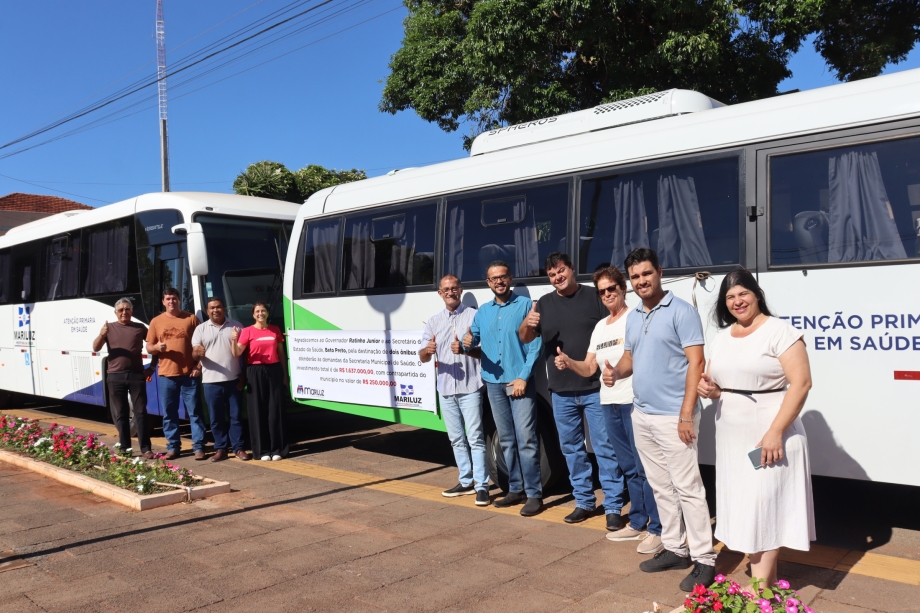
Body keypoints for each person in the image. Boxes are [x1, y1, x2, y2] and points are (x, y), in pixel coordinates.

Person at [604, 248, 716, 592]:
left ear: (659, 272)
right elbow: (629, 357)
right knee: (661, 486)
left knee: (688, 488)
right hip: (643, 414)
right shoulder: (635, 316)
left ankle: (705, 560)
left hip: (674, 417)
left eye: (646, 274)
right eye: (635, 277)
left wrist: (686, 414)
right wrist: (615, 373)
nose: (641, 281)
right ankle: (675, 548)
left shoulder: (681, 312)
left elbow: (696, 364)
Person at [698, 269, 815, 588]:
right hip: (733, 441)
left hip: (769, 437)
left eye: (743, 293)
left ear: (757, 294)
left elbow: (801, 383)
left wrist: (776, 431)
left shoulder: (780, 331)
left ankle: (758, 594)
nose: (737, 301)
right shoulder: (722, 338)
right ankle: (769, 592)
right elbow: (722, 385)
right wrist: (711, 391)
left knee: (764, 511)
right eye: (730, 297)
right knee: (750, 512)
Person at [555, 266, 663, 554]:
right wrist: (568, 361)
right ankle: (638, 521)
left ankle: (658, 528)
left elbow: (647, 357)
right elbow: (590, 366)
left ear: (622, 288)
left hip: (634, 401)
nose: (607, 294)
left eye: (611, 288)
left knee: (645, 466)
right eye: (602, 291)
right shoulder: (601, 326)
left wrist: (620, 374)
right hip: (608, 402)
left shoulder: (636, 317)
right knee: (628, 466)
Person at [519, 252, 626, 529]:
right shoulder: (543, 303)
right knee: (571, 449)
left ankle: (613, 505)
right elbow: (526, 337)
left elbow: (615, 326)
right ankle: (584, 502)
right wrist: (527, 325)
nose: (557, 277)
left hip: (595, 386)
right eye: (552, 274)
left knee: (604, 447)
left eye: (561, 270)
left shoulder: (594, 297)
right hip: (560, 389)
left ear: (572, 269)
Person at [463, 260, 544, 516]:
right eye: (493, 278)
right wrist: (466, 341)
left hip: (518, 382)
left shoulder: (524, 306)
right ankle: (515, 488)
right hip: (493, 383)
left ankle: (534, 494)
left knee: (527, 439)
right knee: (506, 439)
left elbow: (534, 345)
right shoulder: (482, 312)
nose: (499, 281)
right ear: (488, 283)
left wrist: (523, 377)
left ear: (510, 278)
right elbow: (471, 339)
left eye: (503, 277)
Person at [420, 275, 489, 505]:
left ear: (460, 290)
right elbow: (422, 356)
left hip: (471, 386)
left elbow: (486, 352)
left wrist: (466, 350)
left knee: (476, 438)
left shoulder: (474, 316)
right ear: (440, 293)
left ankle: (482, 486)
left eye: (454, 288)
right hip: (446, 388)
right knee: (456, 439)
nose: (450, 292)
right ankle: (466, 481)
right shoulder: (433, 322)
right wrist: (428, 351)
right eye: (446, 289)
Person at [146, 288, 205, 461]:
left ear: (179, 300)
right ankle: (173, 447)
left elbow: (202, 344)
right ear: (163, 302)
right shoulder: (156, 322)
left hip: (189, 374)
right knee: (169, 413)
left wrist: (198, 366)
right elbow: (149, 346)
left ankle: (199, 447)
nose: (171, 301)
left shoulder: (191, 319)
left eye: (174, 298)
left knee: (195, 412)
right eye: (168, 299)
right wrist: (156, 348)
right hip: (166, 375)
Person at [93, 298, 155, 458]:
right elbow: (95, 347)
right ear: (115, 313)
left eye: (127, 309)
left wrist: (152, 367)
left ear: (132, 311)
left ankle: (146, 449)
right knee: (121, 413)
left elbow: (153, 346)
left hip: (136, 376)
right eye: (120, 310)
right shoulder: (109, 328)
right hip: (115, 377)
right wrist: (101, 334)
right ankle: (125, 448)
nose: (124, 312)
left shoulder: (140, 328)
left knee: (141, 412)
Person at [192, 296, 251, 462]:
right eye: (211, 308)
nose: (215, 310)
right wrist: (198, 354)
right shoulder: (201, 329)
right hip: (211, 382)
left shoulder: (237, 326)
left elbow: (244, 354)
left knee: (236, 416)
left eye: (218, 307)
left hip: (234, 380)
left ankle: (239, 448)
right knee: (216, 418)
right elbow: (194, 352)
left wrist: (243, 374)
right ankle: (221, 449)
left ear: (224, 308)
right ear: (207, 310)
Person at [231, 302, 288, 461]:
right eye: (257, 311)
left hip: (274, 370)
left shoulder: (275, 329)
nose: (260, 314)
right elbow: (237, 352)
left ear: (267, 313)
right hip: (255, 372)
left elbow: (281, 354)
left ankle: (277, 449)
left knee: (275, 410)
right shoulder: (247, 331)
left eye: (263, 311)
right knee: (258, 411)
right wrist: (234, 340)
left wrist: (285, 374)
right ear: (253, 314)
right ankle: (262, 451)